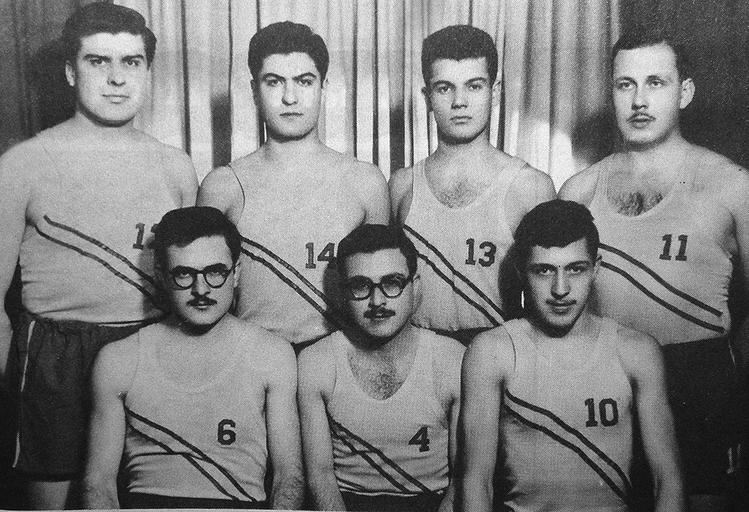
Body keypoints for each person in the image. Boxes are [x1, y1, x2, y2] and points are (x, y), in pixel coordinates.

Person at [0, 3, 198, 509]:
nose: (116, 78)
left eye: (131, 62)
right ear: (71, 71)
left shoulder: (176, 167)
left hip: (149, 348)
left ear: (147, 71)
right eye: (98, 61)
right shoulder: (23, 165)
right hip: (54, 358)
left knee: (151, 497)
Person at [558, 26, 749, 511]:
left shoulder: (732, 187)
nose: (639, 100)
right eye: (625, 84)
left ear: (684, 92)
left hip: (698, 385)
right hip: (604, 380)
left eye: (655, 83)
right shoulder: (579, 191)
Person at [459, 199, 685, 512]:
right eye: (544, 271)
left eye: (575, 269)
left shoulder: (635, 351)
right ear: (521, 271)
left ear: (597, 267)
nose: (560, 289)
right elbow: (476, 482)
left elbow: (667, 480)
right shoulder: (493, 351)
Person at [82, 206, 304, 509]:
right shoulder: (119, 359)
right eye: (184, 273)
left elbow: (288, 478)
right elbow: (98, 485)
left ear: (236, 273)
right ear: (161, 276)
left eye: (215, 272)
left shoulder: (273, 355)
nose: (201, 289)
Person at [198, 21, 389, 348]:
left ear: (324, 87)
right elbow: (204, 298)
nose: (290, 97)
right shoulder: (222, 186)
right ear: (254, 91)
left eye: (304, 81)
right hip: (253, 361)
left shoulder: (366, 182)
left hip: (339, 361)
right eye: (274, 82)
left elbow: (380, 294)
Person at [389, 25, 555, 345]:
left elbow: (548, 300)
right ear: (427, 97)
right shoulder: (401, 186)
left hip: (500, 355)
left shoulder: (530, 187)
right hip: (419, 358)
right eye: (444, 88)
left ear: (495, 91)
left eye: (474, 86)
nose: (459, 102)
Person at [298, 224, 463, 511]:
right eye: (361, 286)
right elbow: (320, 478)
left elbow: (464, 478)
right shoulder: (317, 361)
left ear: (416, 287)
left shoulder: (452, 359)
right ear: (343, 292)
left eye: (392, 282)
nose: (377, 301)